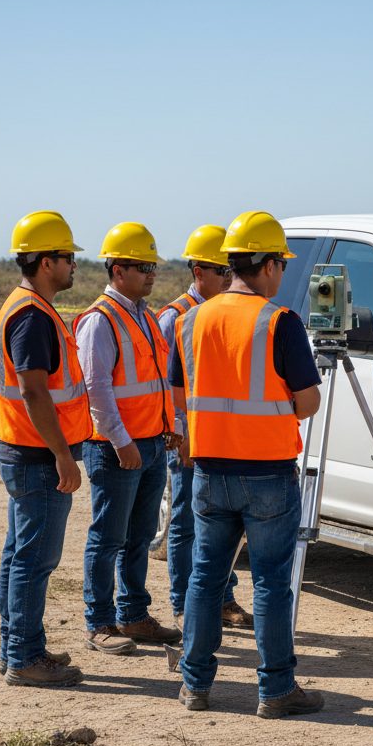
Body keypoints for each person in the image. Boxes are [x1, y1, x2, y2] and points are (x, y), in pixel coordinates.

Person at [170, 210, 324, 716]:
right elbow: (308, 402)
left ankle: (194, 685)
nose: (283, 273)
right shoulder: (280, 321)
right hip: (267, 474)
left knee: (204, 577)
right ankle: (276, 691)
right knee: (271, 583)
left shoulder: (191, 320)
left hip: (209, 472)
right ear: (268, 264)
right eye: (282, 263)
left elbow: (180, 394)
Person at [0, 211, 91, 687]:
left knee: (19, 555)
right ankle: (25, 658)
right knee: (33, 560)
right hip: (38, 456)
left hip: (23, 451)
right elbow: (33, 390)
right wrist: (64, 456)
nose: (74, 265)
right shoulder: (31, 316)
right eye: (68, 257)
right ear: (47, 261)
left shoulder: (27, 307)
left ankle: (16, 646)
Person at [75, 222, 182, 655]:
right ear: (117, 270)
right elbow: (96, 389)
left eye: (153, 266)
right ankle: (98, 623)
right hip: (116, 449)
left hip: (152, 444)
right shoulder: (99, 321)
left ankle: (134, 615)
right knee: (108, 538)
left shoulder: (145, 317)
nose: (152, 273)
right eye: (143, 267)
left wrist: (170, 425)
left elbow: (159, 380)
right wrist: (121, 442)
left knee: (139, 538)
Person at [158, 225, 252, 631]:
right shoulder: (175, 317)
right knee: (184, 523)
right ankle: (183, 605)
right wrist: (181, 435)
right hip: (190, 440)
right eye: (221, 270)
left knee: (224, 526)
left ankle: (223, 599)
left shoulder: (228, 312)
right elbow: (169, 386)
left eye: (232, 269)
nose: (230, 277)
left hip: (221, 438)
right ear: (198, 272)